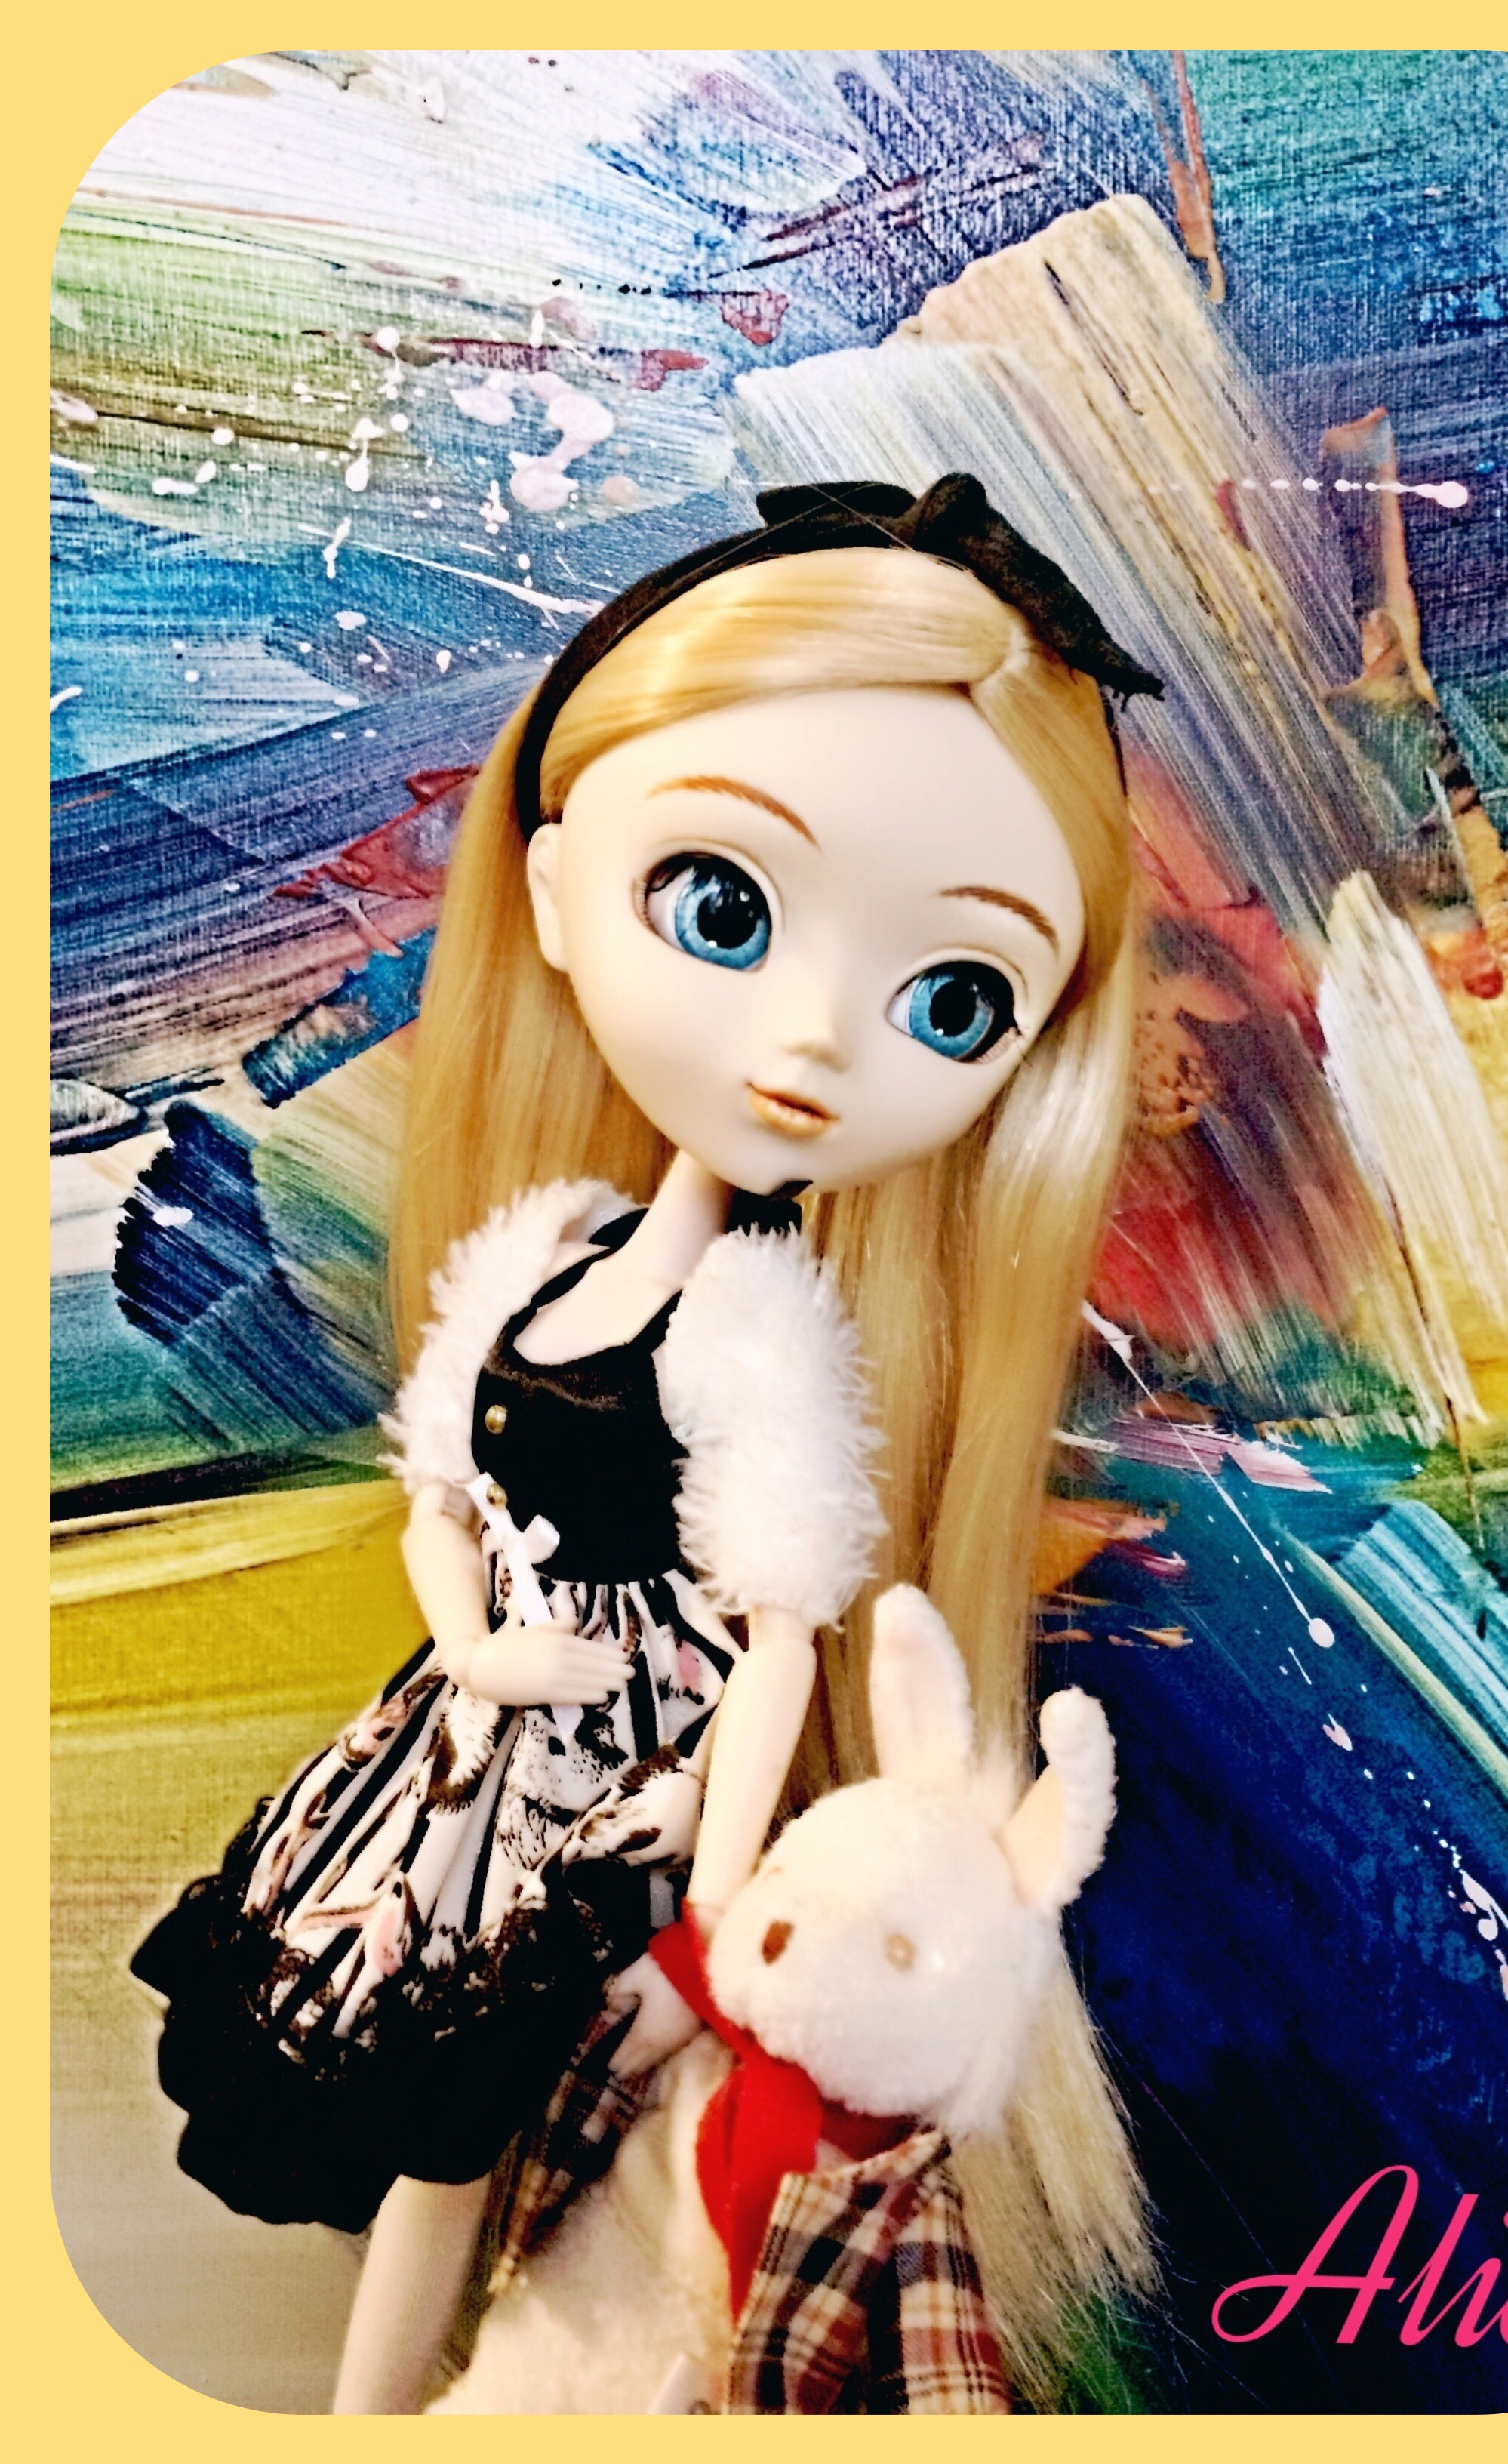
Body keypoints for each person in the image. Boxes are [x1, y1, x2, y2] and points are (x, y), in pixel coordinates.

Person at [134, 476, 1159, 2411]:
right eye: (720, 908)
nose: (813, 1041)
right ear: (548, 895)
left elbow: (772, 1641)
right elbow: (441, 1490)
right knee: (415, 2113)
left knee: (464, 2133)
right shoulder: (544, 1253)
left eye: (952, 1000)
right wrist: (470, 1637)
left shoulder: (763, 1331)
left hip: (624, 1793)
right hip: (457, 1757)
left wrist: (704, 1894)